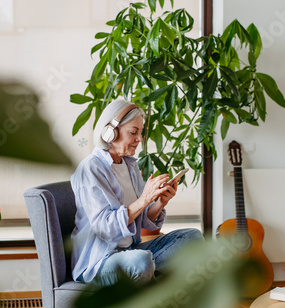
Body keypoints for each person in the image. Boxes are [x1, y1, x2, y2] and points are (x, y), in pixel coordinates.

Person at [70, 98, 203, 286]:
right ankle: (154, 287)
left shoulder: (130, 166)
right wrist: (144, 199)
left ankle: (152, 281)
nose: (140, 139)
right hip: (99, 261)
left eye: (141, 132)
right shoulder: (90, 169)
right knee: (141, 261)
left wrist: (159, 202)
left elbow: (141, 221)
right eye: (133, 132)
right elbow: (104, 229)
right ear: (110, 132)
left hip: (131, 252)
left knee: (192, 238)